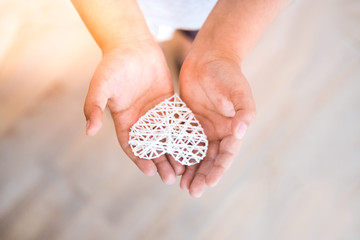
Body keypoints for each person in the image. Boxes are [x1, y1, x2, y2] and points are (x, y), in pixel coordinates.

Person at [71, 0, 289, 198]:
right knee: (151, 31)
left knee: (196, 33)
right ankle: (186, 56)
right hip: (125, 10)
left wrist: (221, 49)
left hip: (219, 11)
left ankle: (193, 56)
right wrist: (123, 40)